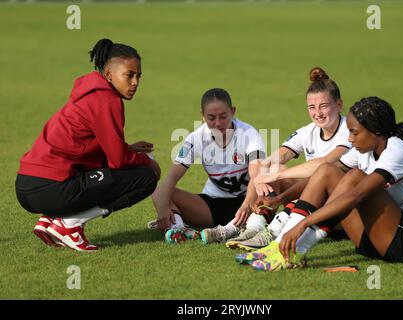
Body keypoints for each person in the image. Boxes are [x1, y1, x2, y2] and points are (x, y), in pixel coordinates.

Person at [237, 96, 403, 271]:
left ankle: (294, 251)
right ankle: (281, 246)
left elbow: (356, 195)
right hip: (374, 240)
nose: (350, 139)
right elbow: (322, 176)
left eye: (355, 132)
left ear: (376, 131)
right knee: (327, 170)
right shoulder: (365, 149)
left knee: (355, 177)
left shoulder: (397, 151)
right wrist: (280, 198)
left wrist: (303, 224)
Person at [15, 39, 161, 252]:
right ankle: (69, 225)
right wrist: (146, 161)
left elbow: (87, 148)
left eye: (138, 76)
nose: (135, 82)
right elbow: (118, 161)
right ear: (109, 74)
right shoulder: (107, 100)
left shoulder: (91, 91)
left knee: (118, 168)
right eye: (129, 75)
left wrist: (128, 148)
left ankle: (52, 218)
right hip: (49, 187)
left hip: (28, 186)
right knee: (146, 177)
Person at [203, 67, 351, 247]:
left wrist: (277, 176)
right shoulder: (308, 131)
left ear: (339, 104)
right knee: (271, 168)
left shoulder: (350, 131)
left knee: (290, 175)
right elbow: (269, 162)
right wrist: (259, 182)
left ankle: (271, 233)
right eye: (312, 107)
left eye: (324, 106)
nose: (318, 113)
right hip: (313, 202)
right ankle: (246, 227)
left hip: (342, 212)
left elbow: (326, 163)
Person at [149, 88, 266, 243]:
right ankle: (179, 229)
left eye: (223, 116)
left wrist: (246, 205)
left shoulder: (249, 134)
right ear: (202, 116)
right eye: (211, 118)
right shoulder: (195, 139)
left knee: (272, 176)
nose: (218, 123)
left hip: (248, 202)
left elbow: (256, 175)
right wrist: (163, 208)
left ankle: (233, 228)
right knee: (159, 192)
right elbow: (171, 178)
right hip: (212, 206)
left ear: (232, 111)